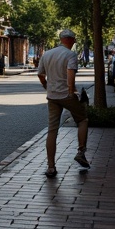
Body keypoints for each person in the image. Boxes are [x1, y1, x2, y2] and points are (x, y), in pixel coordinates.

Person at [37, 28, 90, 178]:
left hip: (52, 96)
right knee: (82, 119)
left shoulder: (47, 54)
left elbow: (40, 74)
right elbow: (70, 74)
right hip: (67, 95)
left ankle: (51, 167)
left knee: (52, 130)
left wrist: (46, 86)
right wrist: (72, 90)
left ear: (61, 39)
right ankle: (81, 152)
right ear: (72, 40)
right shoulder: (70, 54)